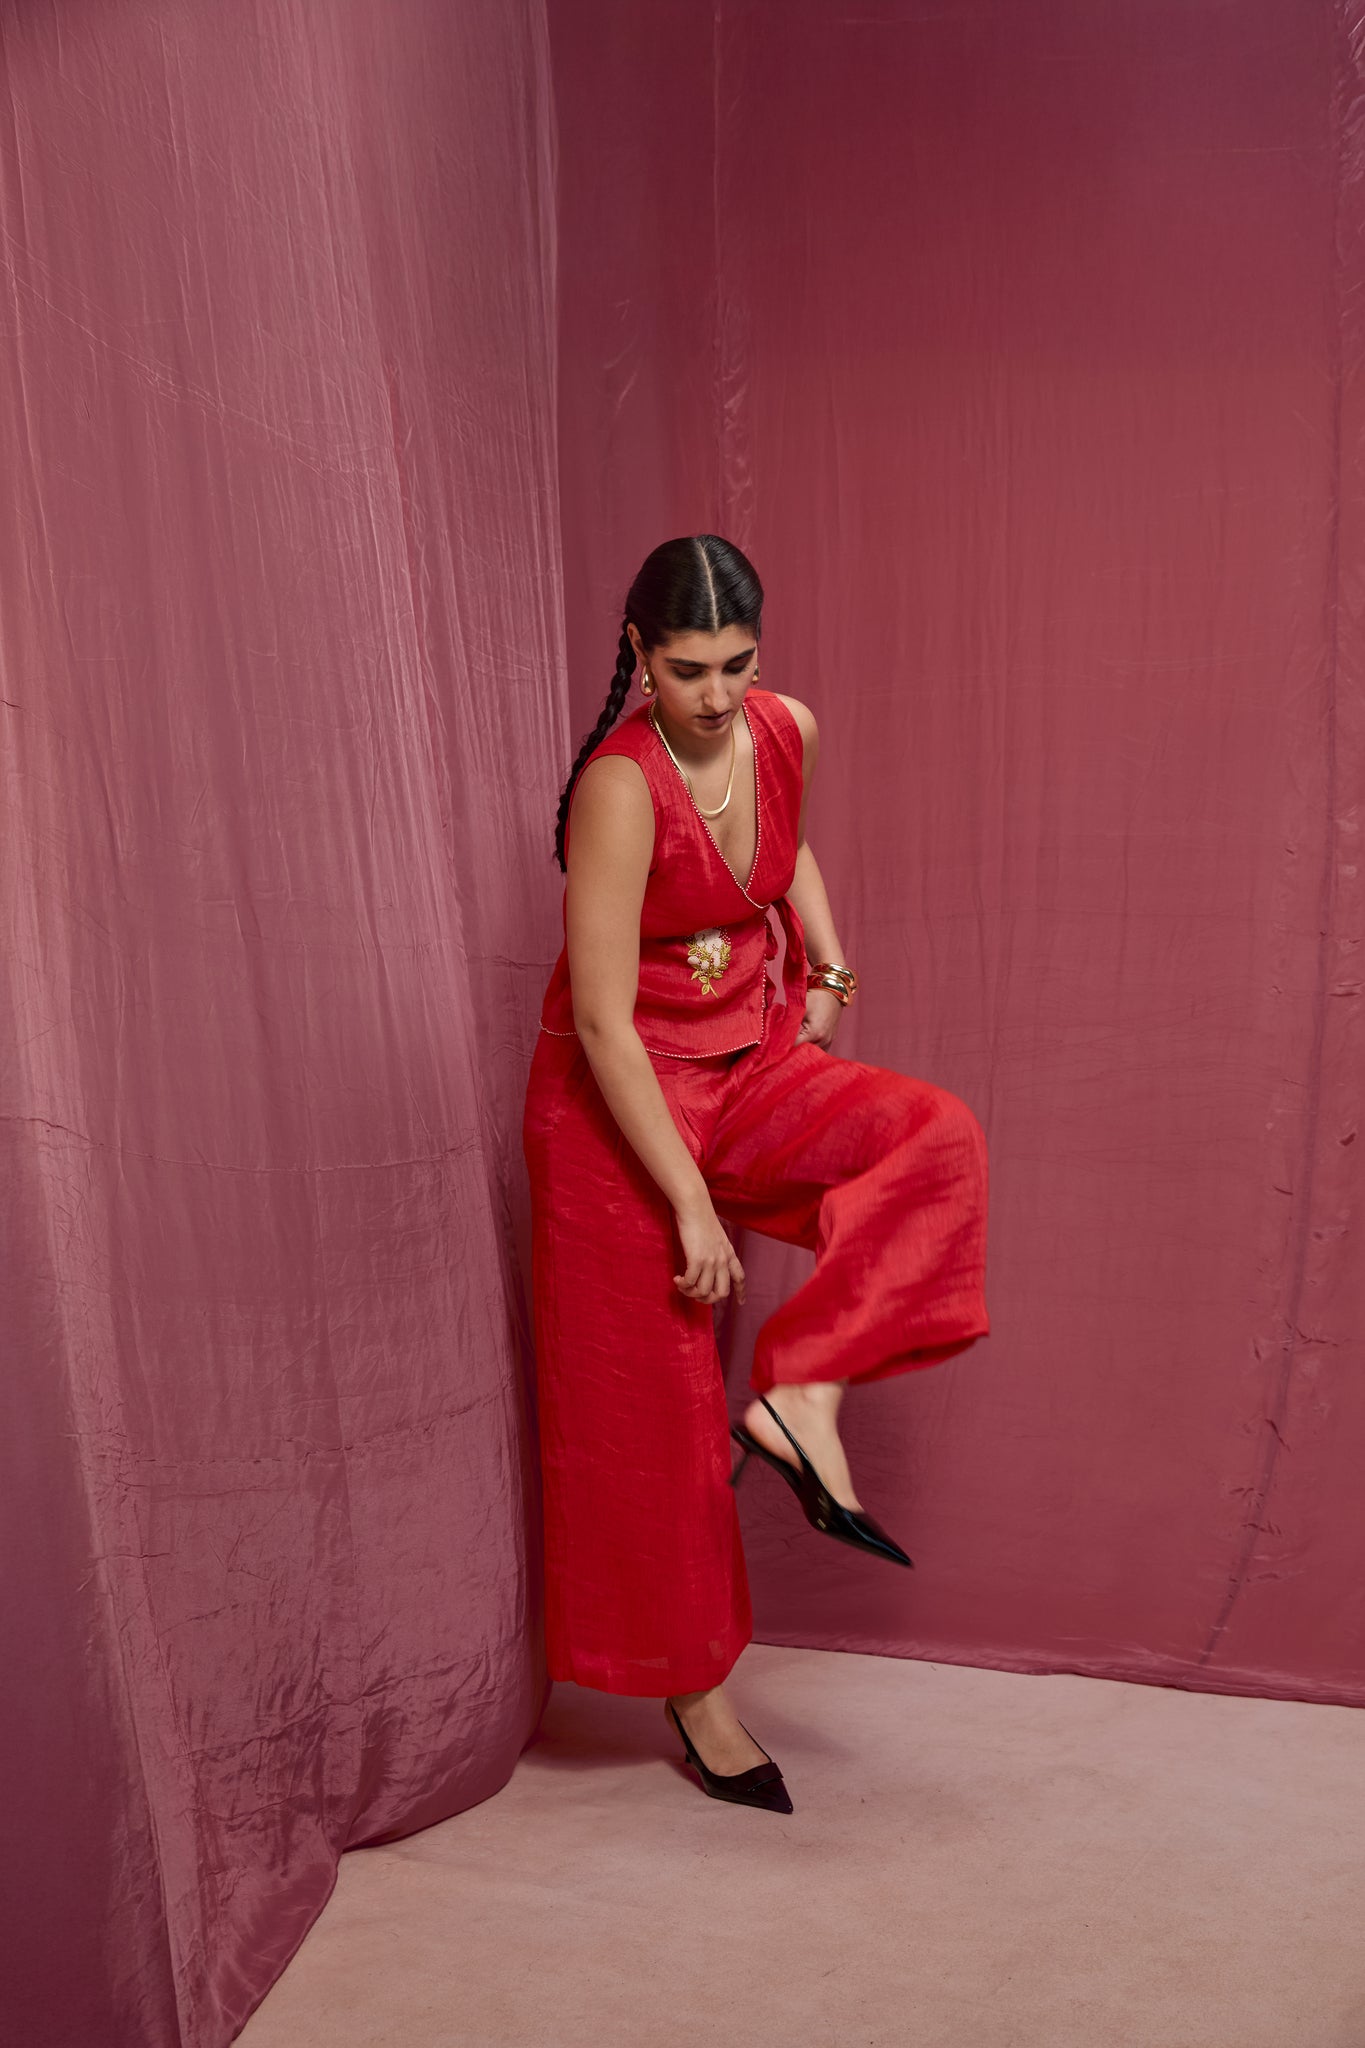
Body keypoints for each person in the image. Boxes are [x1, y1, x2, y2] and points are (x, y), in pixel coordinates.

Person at [522, 534, 990, 1813]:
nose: (717, 694)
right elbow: (604, 1021)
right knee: (659, 1413)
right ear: (638, 652)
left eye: (737, 663)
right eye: (688, 669)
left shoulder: (786, 727)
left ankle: (801, 1399)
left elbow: (786, 853)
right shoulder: (619, 788)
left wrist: (829, 967)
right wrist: (688, 1201)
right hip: (621, 1110)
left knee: (933, 1139)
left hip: (751, 1059)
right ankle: (697, 1694)